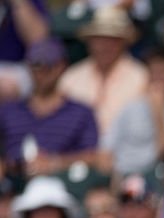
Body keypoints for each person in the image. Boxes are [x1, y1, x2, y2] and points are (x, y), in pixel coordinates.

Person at [0, 38, 99, 176]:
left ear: (62, 66)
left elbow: (93, 157)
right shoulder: (8, 111)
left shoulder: (81, 112)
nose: (41, 73)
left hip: (62, 183)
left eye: (48, 66)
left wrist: (55, 163)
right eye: (36, 65)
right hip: (13, 183)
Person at [100, 46, 164, 177]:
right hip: (124, 175)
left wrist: (158, 113)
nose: (158, 77)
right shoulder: (131, 107)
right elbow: (105, 150)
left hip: (162, 177)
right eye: (154, 71)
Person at [57, 6, 147, 136]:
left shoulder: (140, 76)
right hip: (77, 150)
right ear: (89, 42)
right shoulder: (72, 76)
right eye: (98, 39)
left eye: (112, 40)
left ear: (124, 42)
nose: (104, 46)